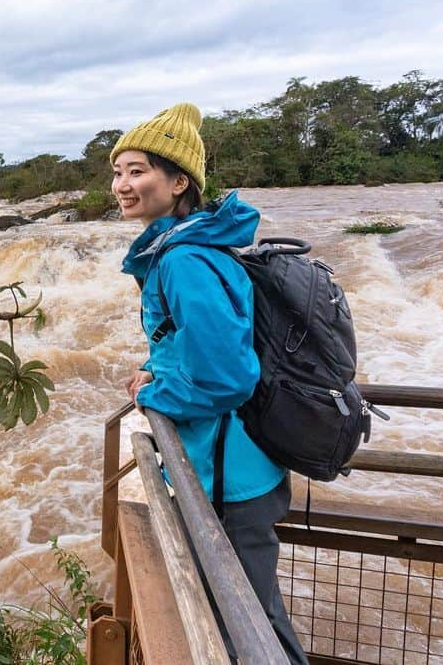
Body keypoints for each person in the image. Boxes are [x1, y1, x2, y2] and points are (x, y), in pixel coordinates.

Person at [110, 102, 307, 664]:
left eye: (138, 171)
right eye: (118, 172)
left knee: (250, 626)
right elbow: (193, 346)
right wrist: (162, 368)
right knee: (251, 612)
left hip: (231, 481)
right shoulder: (183, 248)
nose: (122, 185)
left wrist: (152, 395)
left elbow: (229, 377)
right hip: (233, 466)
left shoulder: (184, 261)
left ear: (178, 183)